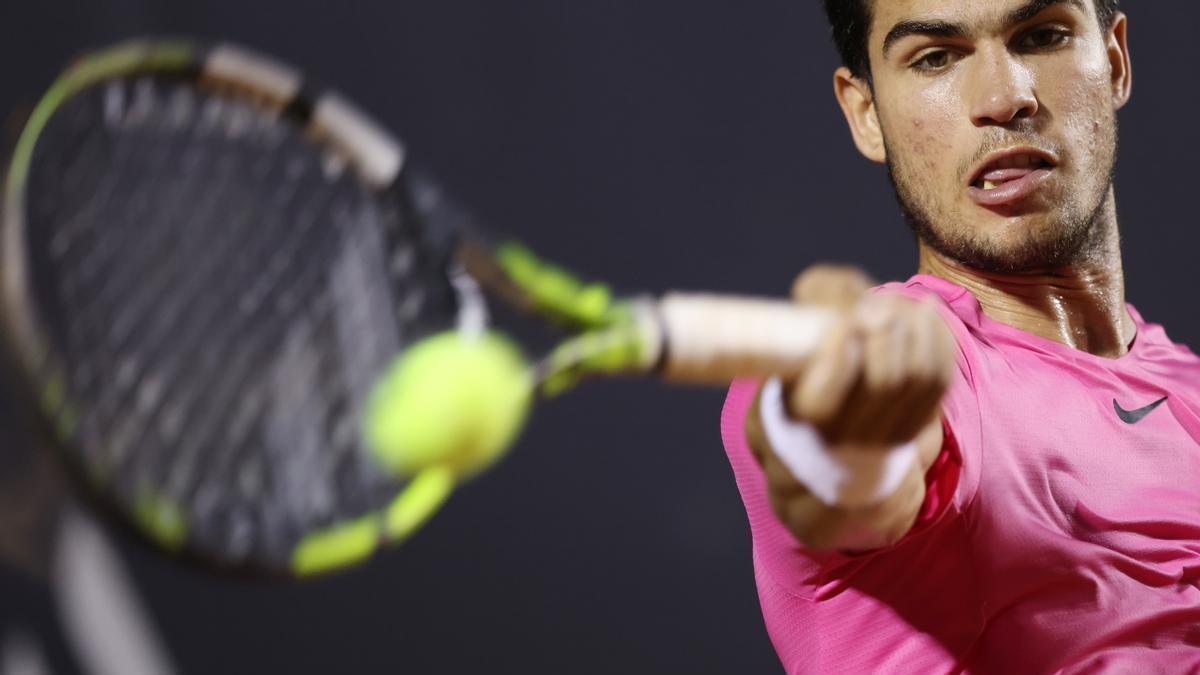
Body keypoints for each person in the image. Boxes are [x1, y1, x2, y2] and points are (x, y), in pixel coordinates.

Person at [721, 0, 1200, 671]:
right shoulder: (901, 369)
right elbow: (840, 456)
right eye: (936, 57)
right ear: (866, 114)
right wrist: (838, 445)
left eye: (1042, 36)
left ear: (1115, 61)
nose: (1004, 99)